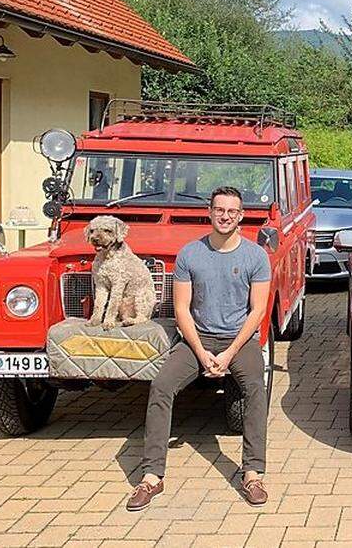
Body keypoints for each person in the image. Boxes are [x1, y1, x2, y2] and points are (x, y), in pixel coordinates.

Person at [126, 186, 272, 511]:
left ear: (241, 216)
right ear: (209, 212)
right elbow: (181, 310)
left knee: (256, 391)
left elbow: (258, 311)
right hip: (197, 339)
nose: (225, 216)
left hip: (239, 340)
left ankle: (252, 473)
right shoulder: (190, 254)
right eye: (219, 210)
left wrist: (229, 353)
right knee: (162, 386)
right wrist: (202, 351)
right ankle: (151, 476)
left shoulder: (256, 256)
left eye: (232, 211)